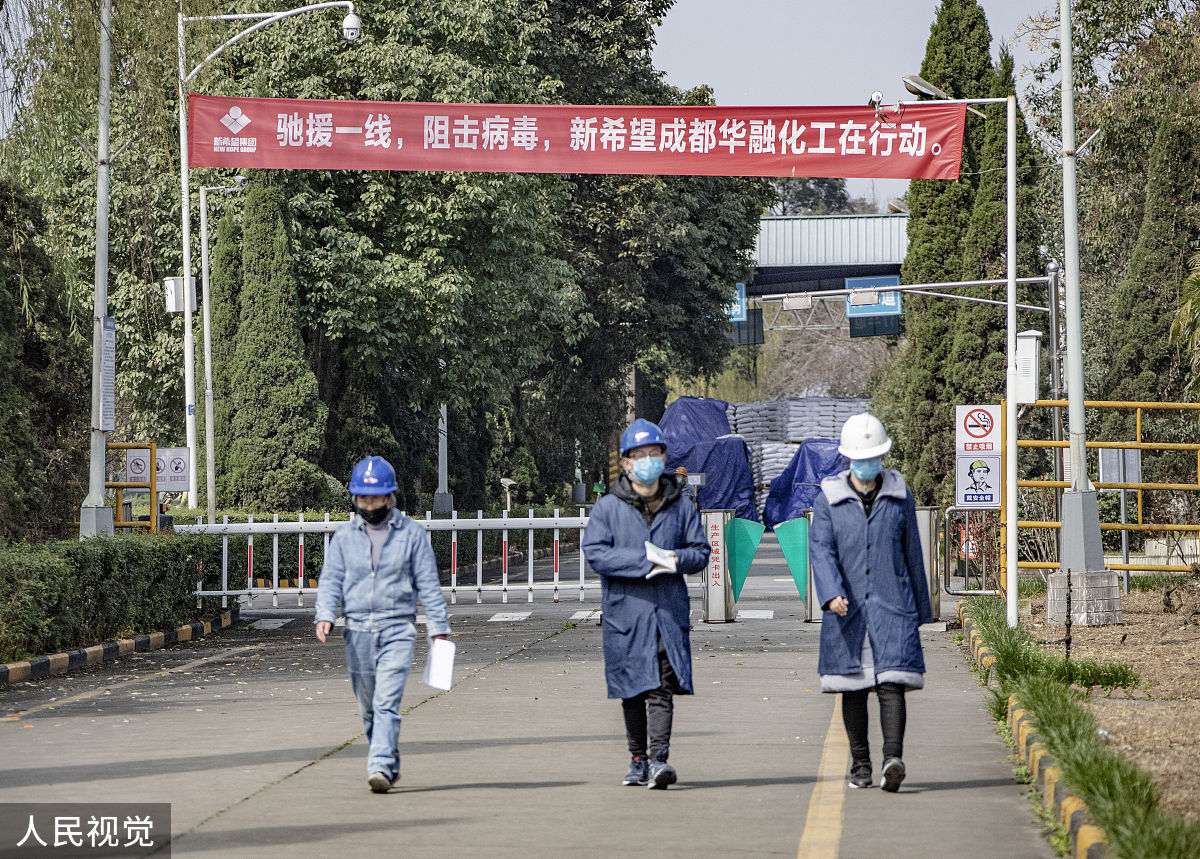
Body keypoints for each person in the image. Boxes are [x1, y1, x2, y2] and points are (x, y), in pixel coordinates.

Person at [582, 418, 710, 789]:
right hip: (627, 613)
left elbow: (701, 552)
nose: (647, 460)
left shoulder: (680, 507)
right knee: (633, 688)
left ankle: (659, 760)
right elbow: (596, 553)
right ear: (625, 463)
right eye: (639, 455)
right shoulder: (608, 508)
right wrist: (644, 562)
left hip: (666, 612)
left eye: (654, 453)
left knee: (660, 688)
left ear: (664, 457)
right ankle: (637, 758)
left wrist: (673, 560)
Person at [809, 413, 933, 793]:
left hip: (892, 604)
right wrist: (830, 594)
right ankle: (860, 764)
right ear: (848, 459)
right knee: (854, 686)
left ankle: (892, 758)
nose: (869, 464)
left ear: (884, 456)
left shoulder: (899, 495)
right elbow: (821, 550)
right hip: (847, 609)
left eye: (876, 456)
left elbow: (913, 552)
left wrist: (921, 611)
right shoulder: (828, 500)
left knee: (892, 682)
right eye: (862, 458)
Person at [315, 455, 451, 794]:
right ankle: (389, 763)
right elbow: (331, 579)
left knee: (386, 701)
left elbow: (428, 583)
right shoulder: (345, 537)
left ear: (390, 497)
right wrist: (325, 614)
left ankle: (377, 765)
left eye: (375, 498)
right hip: (358, 630)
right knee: (368, 705)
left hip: (398, 629)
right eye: (363, 498)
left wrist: (438, 627)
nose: (369, 504)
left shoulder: (413, 535)